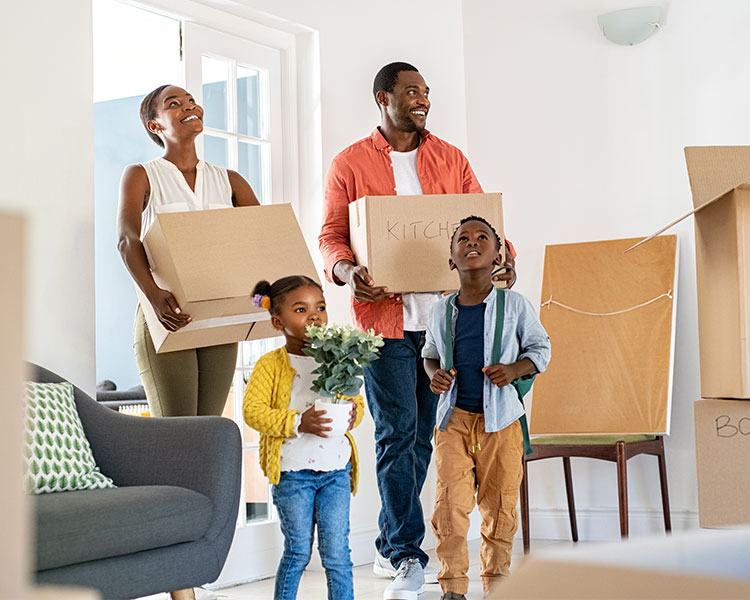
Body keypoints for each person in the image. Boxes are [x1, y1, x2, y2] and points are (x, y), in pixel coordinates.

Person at [318, 61, 516, 600]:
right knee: (395, 431)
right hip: (383, 324)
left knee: (428, 431)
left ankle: (389, 543)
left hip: (446, 323)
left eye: (426, 91)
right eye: (411, 91)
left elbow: (487, 225)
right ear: (383, 98)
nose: (422, 99)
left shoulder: (451, 158)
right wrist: (348, 273)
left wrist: (506, 258)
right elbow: (332, 236)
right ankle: (405, 551)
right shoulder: (350, 163)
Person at [422, 216, 551, 600]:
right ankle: (453, 588)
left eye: (483, 238)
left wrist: (514, 369)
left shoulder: (515, 306)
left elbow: (541, 349)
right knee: (450, 506)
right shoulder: (440, 310)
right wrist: (435, 374)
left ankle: (497, 584)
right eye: (463, 238)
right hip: (453, 422)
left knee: (500, 506)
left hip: (502, 423)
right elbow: (429, 354)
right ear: (451, 258)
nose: (472, 243)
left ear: (499, 256)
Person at [117, 84, 260, 421]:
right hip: (166, 315)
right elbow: (127, 239)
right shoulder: (142, 175)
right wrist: (153, 295)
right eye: (175, 104)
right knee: (177, 432)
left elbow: (261, 241)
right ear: (155, 125)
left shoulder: (230, 181)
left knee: (207, 432)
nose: (190, 107)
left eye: (192, 101)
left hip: (219, 318)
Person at [243, 276, 364, 600]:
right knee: (298, 552)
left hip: (336, 473)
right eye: (301, 309)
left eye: (320, 307)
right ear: (277, 321)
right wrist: (299, 422)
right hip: (293, 475)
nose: (314, 316)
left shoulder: (337, 357)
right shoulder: (270, 365)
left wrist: (353, 413)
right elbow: (253, 411)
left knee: (337, 554)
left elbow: (357, 403)